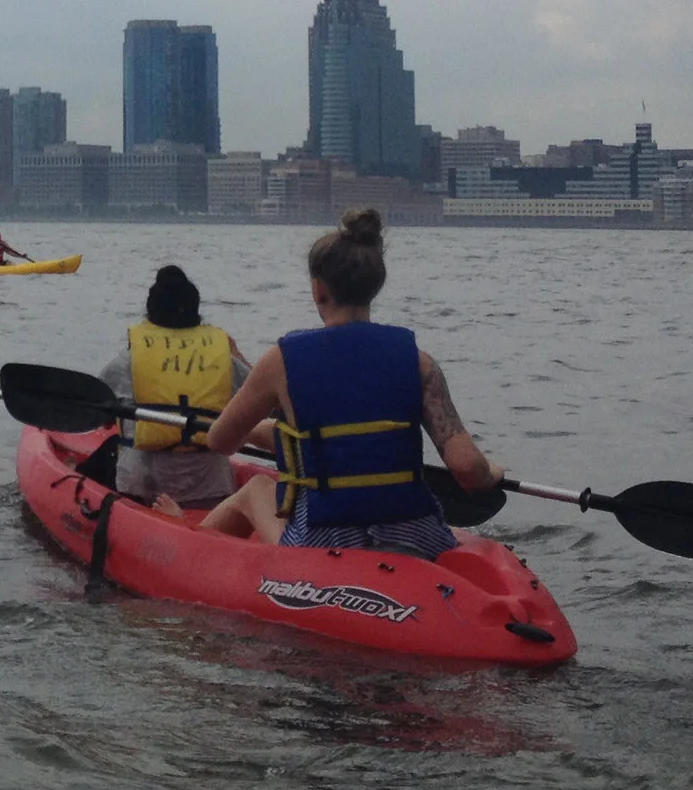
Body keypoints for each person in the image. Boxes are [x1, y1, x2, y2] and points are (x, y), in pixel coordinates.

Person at [189, 207, 499, 560]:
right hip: (417, 535)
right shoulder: (419, 362)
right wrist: (491, 473)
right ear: (374, 289)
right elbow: (466, 468)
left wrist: (270, 432)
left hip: (326, 542)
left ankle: (189, 556)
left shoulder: (281, 361)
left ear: (318, 290)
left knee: (257, 488)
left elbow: (220, 441)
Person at [97, 264, 250, 510]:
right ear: (195, 312)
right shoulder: (225, 361)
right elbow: (264, 401)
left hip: (144, 490)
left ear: (150, 313)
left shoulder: (127, 362)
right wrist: (236, 354)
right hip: (212, 489)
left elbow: (100, 416)